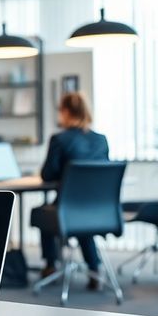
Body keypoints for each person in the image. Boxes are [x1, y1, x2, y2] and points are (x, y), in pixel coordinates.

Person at [31, 93, 109, 289]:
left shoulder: (60, 139)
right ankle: (94, 269)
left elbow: (48, 175)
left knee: (43, 212)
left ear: (65, 112)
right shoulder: (101, 140)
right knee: (81, 216)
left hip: (67, 210)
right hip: (99, 210)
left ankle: (51, 265)